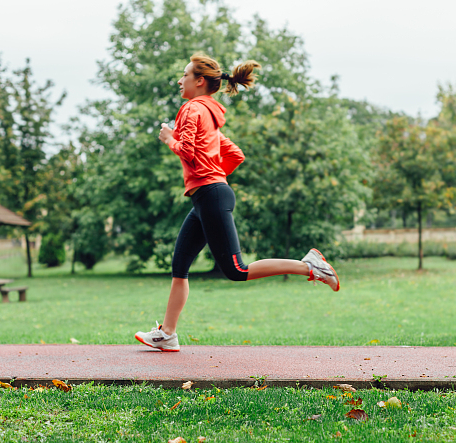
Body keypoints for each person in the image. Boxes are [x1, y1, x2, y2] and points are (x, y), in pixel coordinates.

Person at [135, 54, 339, 352]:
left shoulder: (192, 108)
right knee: (180, 265)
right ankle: (167, 333)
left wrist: (169, 137)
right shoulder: (210, 118)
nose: (180, 81)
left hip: (210, 195)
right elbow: (234, 155)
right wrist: (212, 175)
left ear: (199, 81)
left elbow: (189, 152)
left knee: (236, 270)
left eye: (185, 75)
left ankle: (309, 266)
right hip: (208, 195)